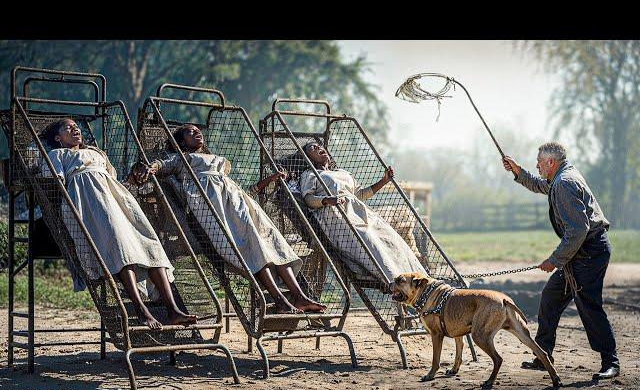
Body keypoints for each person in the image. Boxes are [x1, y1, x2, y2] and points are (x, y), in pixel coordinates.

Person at [131, 124, 325, 315]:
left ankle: (299, 295)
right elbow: (162, 165)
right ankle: (279, 300)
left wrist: (268, 180)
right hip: (211, 205)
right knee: (252, 245)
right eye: (190, 132)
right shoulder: (182, 158)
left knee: (272, 239)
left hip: (237, 199)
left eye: (198, 131)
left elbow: (242, 188)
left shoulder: (218, 161)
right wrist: (149, 168)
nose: (197, 132)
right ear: (181, 141)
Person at [41, 118, 196, 330]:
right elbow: (56, 179)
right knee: (121, 249)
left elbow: (114, 178)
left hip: (116, 197)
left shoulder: (97, 153)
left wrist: (133, 177)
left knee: (150, 244)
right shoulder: (58, 154)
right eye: (68, 128)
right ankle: (142, 311)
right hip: (89, 199)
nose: (75, 128)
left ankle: (173, 309)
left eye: (76, 126)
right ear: (58, 138)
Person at [503, 142, 619, 380]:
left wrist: (554, 260)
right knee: (551, 297)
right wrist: (518, 171)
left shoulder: (564, 184)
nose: (537, 164)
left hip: (589, 253)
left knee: (589, 305)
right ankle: (544, 355)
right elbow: (539, 184)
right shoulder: (561, 176)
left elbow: (578, 230)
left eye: (539, 161)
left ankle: (611, 362)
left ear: (551, 163)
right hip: (579, 252)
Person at [299, 141, 427, 287]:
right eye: (312, 148)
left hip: (358, 211)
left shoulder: (343, 172)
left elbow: (359, 195)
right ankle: (394, 281)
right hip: (334, 214)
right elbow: (308, 199)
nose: (318, 148)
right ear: (308, 158)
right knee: (369, 241)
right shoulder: (309, 174)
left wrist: (384, 181)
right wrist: (327, 200)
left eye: (319, 146)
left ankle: (420, 280)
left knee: (390, 239)